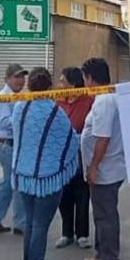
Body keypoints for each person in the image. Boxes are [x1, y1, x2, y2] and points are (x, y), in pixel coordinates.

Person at [11, 68, 79, 260]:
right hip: (47, 178)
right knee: (40, 225)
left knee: (31, 223)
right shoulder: (54, 111)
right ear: (49, 86)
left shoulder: (21, 106)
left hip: (24, 175)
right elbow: (70, 141)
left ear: (29, 84)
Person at [80, 57, 124, 260]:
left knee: (105, 215)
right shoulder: (106, 97)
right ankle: (100, 253)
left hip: (106, 169)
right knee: (101, 213)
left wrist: (94, 166)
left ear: (90, 78)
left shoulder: (105, 101)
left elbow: (103, 138)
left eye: (85, 79)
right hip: (107, 167)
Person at [0, 63, 28, 234]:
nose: (21, 80)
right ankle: (20, 223)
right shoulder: (4, 97)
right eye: (16, 77)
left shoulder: (19, 96)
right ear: (7, 79)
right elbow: (4, 122)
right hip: (8, 145)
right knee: (16, 184)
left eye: (22, 76)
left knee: (9, 185)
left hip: (13, 145)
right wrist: (22, 119)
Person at [55, 66, 93, 249]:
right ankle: (66, 233)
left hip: (81, 153)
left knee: (82, 194)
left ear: (73, 83)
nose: (59, 84)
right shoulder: (58, 101)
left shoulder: (89, 100)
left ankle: (82, 234)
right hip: (61, 156)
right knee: (64, 195)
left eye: (63, 81)